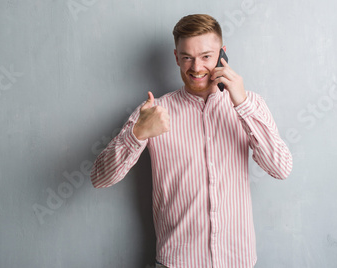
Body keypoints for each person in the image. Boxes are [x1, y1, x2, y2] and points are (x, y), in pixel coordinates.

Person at [90, 14, 293, 268]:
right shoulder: (153, 111)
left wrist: (242, 104)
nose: (196, 68)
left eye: (206, 56)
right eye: (187, 57)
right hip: (177, 263)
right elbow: (99, 178)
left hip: (237, 261)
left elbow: (281, 168)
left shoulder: (250, 104)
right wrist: (137, 133)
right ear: (176, 57)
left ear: (222, 54)